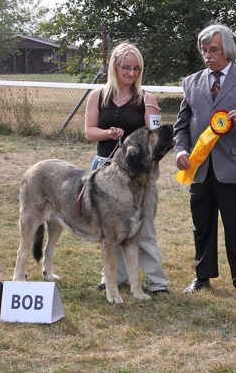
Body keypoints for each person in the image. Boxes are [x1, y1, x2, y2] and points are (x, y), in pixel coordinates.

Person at [174, 23, 236, 300]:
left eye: (214, 50)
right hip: (200, 168)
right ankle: (202, 276)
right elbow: (181, 126)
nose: (208, 55)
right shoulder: (190, 82)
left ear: (227, 50)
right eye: (204, 50)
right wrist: (181, 151)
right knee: (201, 225)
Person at [84, 42, 169, 296]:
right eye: (126, 68)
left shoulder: (146, 99)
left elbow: (154, 139)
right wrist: (107, 132)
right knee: (112, 230)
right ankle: (114, 278)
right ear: (115, 66)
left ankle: (157, 283)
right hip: (105, 176)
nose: (131, 73)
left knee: (143, 230)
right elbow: (89, 132)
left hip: (138, 179)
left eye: (136, 68)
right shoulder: (97, 96)